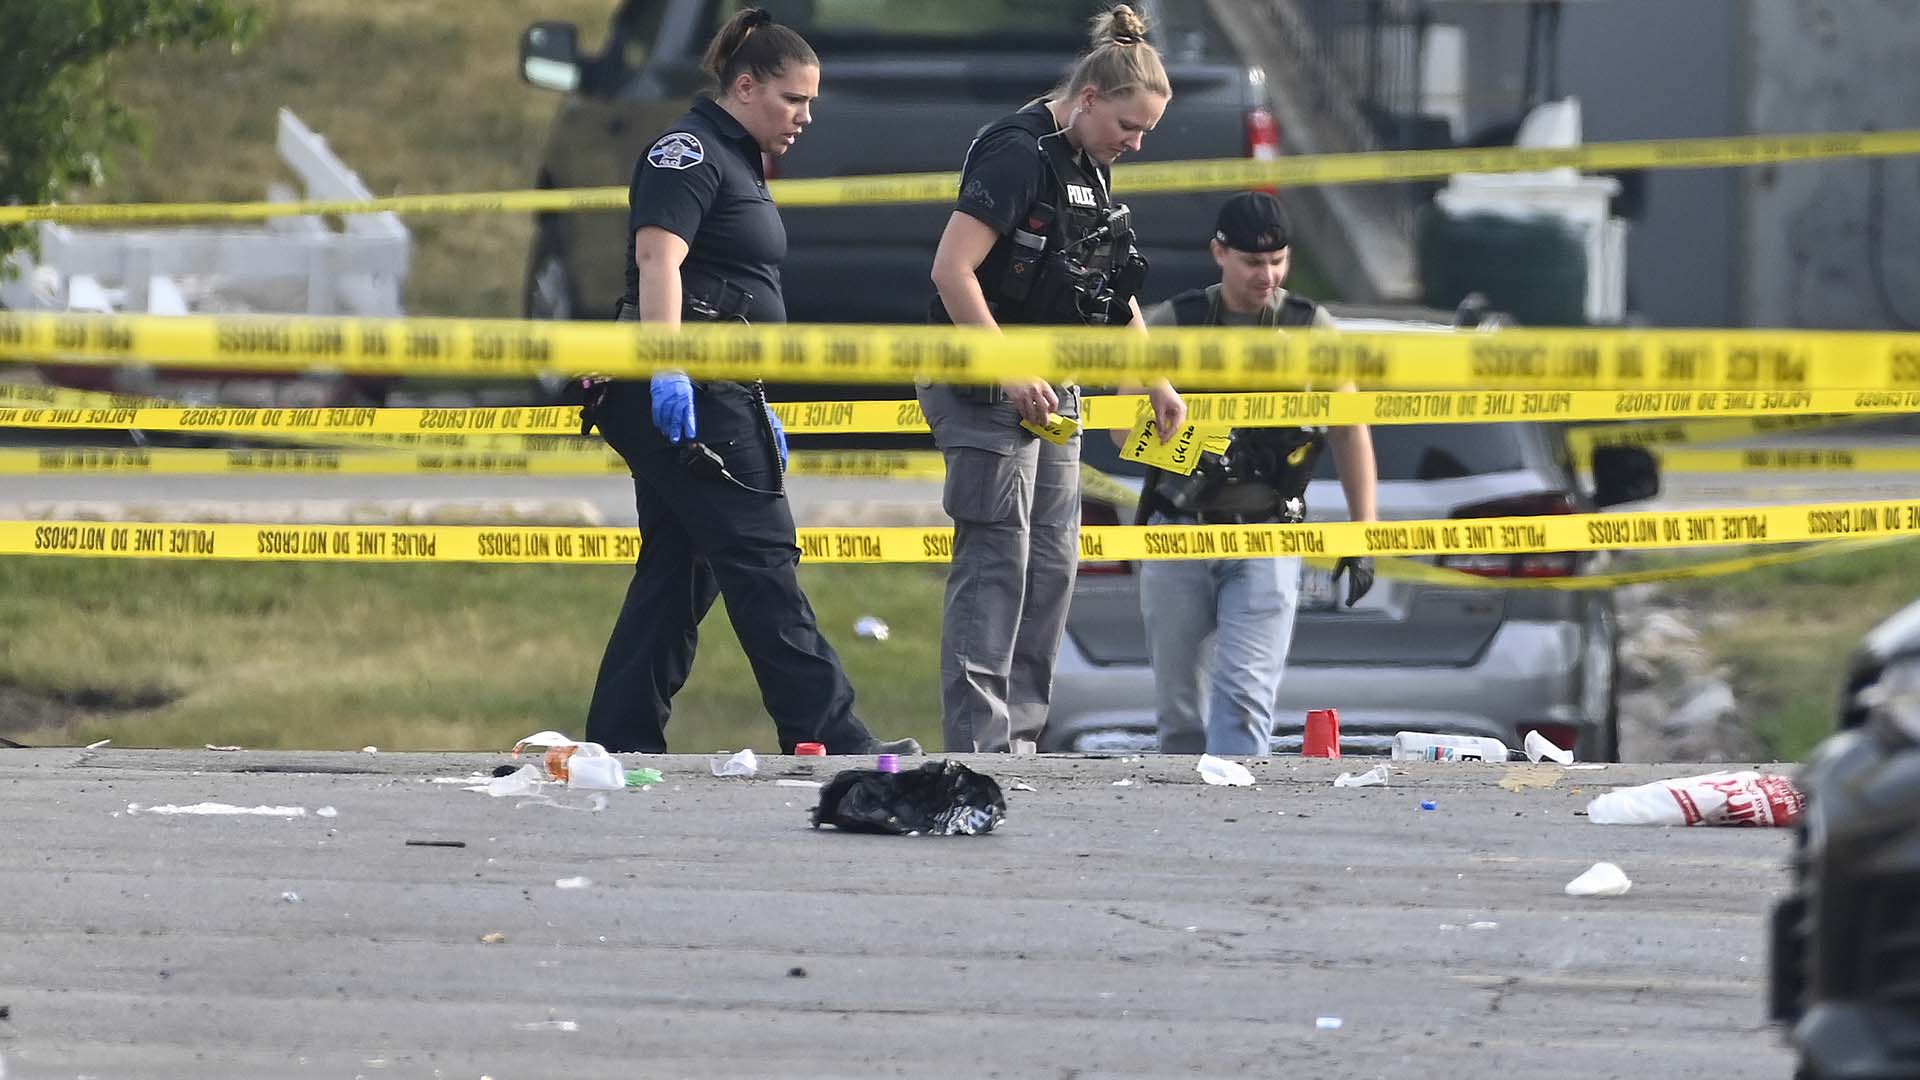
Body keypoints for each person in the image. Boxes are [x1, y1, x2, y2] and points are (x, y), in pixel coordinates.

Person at [582, 7, 918, 758]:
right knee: (762, 556)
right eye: (793, 100)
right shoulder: (688, 152)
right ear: (744, 86)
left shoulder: (736, 157)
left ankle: (622, 737)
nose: (805, 117)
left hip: (721, 383)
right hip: (691, 384)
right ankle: (828, 733)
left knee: (682, 567)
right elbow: (658, 261)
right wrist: (667, 363)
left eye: (811, 103)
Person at [922, 4, 1186, 754]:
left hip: (1055, 385)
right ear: (1090, 99)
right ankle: (979, 746)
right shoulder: (1019, 151)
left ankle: (1024, 739)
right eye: (1127, 129)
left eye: (1145, 135)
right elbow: (952, 271)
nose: (1133, 145)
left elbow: (1110, 288)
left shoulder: (1090, 165)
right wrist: (1007, 371)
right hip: (981, 378)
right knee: (997, 557)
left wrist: (1154, 381)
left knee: (1053, 563)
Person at [1137, 191, 1379, 757]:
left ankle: (1236, 826)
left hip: (1269, 532)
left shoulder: (1309, 327)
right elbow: (1122, 427)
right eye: (1252, 262)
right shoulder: (1177, 322)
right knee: (1179, 712)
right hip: (1181, 530)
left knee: (1245, 704)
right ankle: (1178, 830)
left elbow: (1349, 430)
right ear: (1219, 253)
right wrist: (1197, 451)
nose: (1266, 276)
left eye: (1278, 262)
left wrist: (1363, 533)